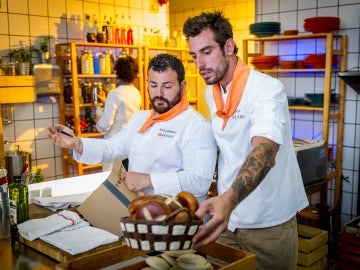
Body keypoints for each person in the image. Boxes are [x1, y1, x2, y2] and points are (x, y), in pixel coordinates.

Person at [183, 11, 309, 270]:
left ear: (228, 46)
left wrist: (228, 199)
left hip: (268, 223)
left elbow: (264, 150)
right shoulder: (211, 92)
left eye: (207, 51)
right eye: (194, 55)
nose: (200, 63)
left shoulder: (266, 90)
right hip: (227, 219)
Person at [47, 53, 217, 206]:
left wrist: (148, 180)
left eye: (167, 86)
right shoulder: (140, 118)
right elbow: (113, 148)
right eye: (153, 85)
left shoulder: (197, 127)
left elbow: (199, 181)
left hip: (179, 219)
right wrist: (76, 143)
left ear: (183, 85)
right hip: (140, 212)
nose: (159, 93)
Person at [96, 55, 141, 171]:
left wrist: (98, 117)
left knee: (110, 180)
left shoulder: (114, 93)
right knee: (126, 181)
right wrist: (107, 102)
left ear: (118, 72)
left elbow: (105, 125)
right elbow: (124, 110)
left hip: (114, 144)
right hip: (130, 144)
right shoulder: (136, 93)